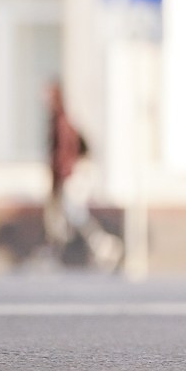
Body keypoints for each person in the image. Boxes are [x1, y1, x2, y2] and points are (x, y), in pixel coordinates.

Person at [43, 80, 122, 270]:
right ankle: (57, 254)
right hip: (70, 174)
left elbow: (63, 154)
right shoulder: (58, 119)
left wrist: (62, 178)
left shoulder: (61, 120)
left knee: (73, 213)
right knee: (64, 216)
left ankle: (104, 247)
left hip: (72, 175)